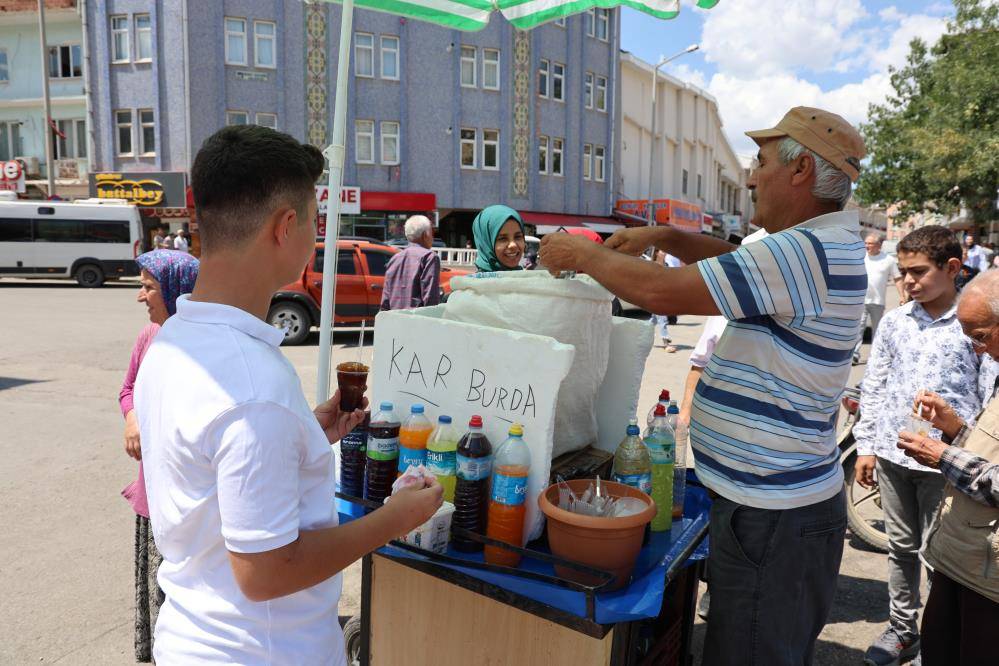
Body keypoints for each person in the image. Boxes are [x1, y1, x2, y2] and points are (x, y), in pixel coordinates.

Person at [540, 106, 867, 665]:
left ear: (801, 171)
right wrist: (668, 234)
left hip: (774, 517)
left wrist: (584, 254)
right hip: (768, 509)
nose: (750, 176)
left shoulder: (805, 252)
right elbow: (736, 261)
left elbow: (664, 294)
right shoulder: (809, 247)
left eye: (761, 162)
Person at [134, 125, 442, 664]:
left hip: (191, 635)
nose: (317, 239)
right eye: (317, 223)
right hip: (260, 650)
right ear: (287, 227)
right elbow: (266, 570)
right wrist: (396, 518)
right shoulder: (253, 388)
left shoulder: (176, 340)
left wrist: (303, 434)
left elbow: (210, 471)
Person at [852, 226, 995, 666]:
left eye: (918, 271)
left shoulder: (975, 324)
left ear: (952, 268)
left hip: (952, 467)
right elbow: (874, 384)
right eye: (903, 273)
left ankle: (938, 633)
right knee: (901, 548)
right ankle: (902, 629)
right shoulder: (896, 321)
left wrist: (957, 440)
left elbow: (989, 396)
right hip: (896, 457)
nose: (908, 281)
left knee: (946, 557)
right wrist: (866, 446)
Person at [896, 269, 999, 665]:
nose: (976, 349)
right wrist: (955, 430)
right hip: (963, 558)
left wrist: (942, 456)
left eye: (980, 335)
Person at [119, 249, 199, 662]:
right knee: (156, 582)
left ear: (175, 289)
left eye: (148, 287)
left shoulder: (199, 345)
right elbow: (127, 388)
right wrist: (132, 419)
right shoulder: (148, 338)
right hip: (153, 489)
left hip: (185, 498)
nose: (141, 297)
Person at [853, 232, 903, 364]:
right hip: (860, 300)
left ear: (879, 245)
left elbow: (897, 278)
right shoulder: (860, 257)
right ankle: (855, 354)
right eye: (866, 243)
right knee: (858, 329)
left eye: (870, 243)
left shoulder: (888, 260)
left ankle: (875, 356)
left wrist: (903, 296)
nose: (866, 245)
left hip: (878, 301)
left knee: (877, 331)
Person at [381, 215, 441, 311]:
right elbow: (430, 298)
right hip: (416, 322)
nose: (433, 237)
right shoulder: (429, 257)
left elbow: (385, 300)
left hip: (394, 320)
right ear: (425, 235)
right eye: (432, 232)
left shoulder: (395, 259)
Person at [472, 204, 525, 272]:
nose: (513, 245)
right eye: (503, 239)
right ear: (486, 244)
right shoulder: (472, 282)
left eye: (518, 237)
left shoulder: (528, 280)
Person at [649, 250, 677, 352]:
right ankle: (666, 343)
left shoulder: (667, 265)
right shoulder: (652, 266)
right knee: (662, 319)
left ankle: (639, 334)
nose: (664, 253)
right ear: (656, 253)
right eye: (662, 251)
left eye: (665, 252)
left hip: (664, 296)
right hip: (655, 296)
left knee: (653, 321)